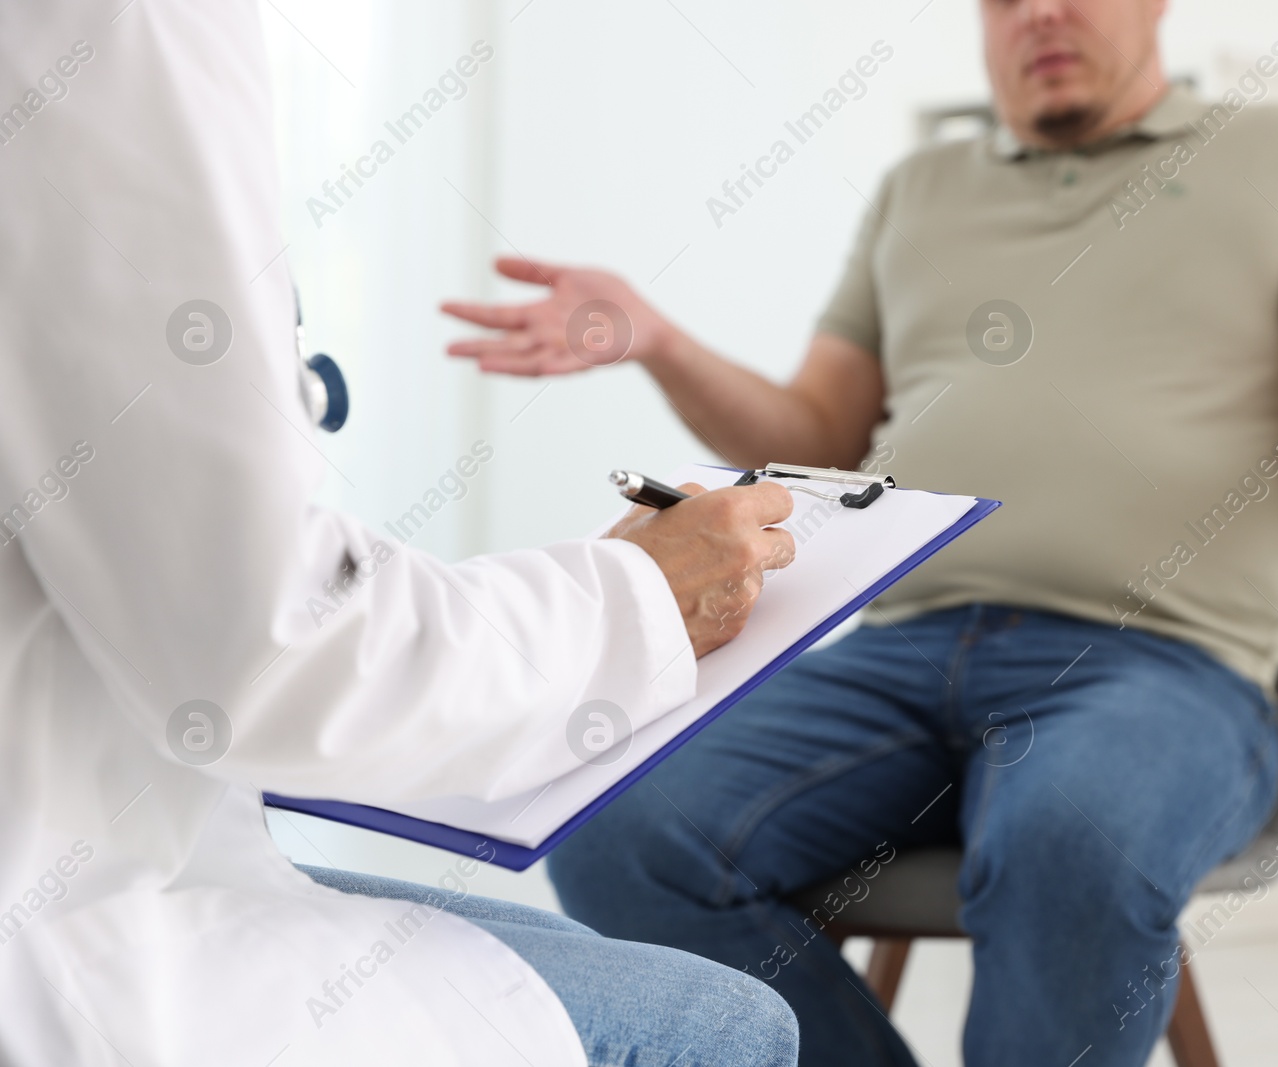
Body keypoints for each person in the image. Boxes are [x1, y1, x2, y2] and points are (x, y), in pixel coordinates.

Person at [441, 0, 1278, 1063]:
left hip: (1157, 667)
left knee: (1067, 837)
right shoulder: (917, 189)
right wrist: (660, 339)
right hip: (897, 652)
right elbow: (813, 435)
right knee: (615, 818)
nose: (1037, 15)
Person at [0, 3, 800, 1065]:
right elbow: (263, 647)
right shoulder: (125, 24)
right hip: (56, 911)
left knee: (558, 944)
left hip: (98, 829)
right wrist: (634, 597)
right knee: (724, 1023)